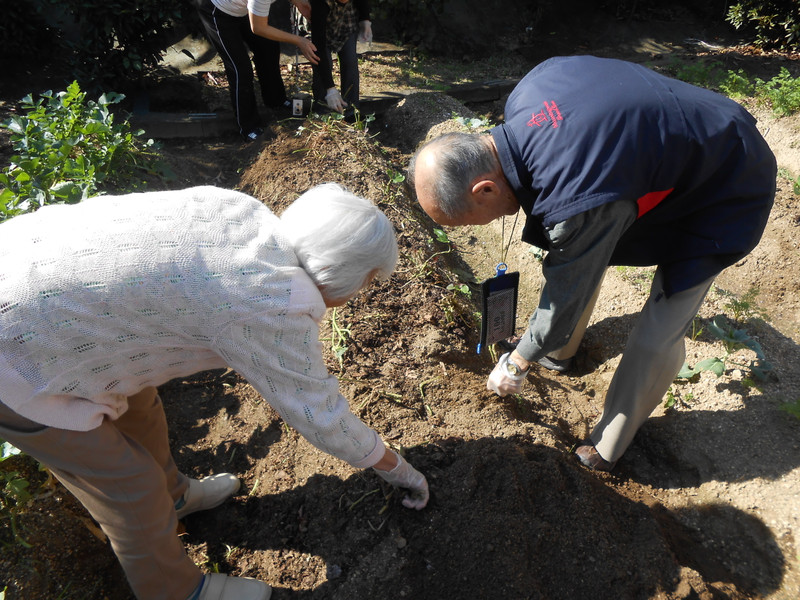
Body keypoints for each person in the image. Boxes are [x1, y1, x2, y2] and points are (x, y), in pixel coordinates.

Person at [0, 183, 429, 600]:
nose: (362, 293)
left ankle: (177, 497)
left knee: (141, 407)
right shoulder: (271, 300)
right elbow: (321, 416)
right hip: (17, 361)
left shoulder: (242, 213)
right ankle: (178, 590)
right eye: (367, 282)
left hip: (29, 274)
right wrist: (397, 468)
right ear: (342, 275)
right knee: (129, 486)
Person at [408, 55, 776, 472]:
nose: (474, 226)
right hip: (660, 149)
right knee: (582, 249)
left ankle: (609, 444)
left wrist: (518, 360)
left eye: (464, 220)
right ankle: (559, 351)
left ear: (485, 188)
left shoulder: (575, 196)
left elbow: (569, 282)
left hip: (726, 172)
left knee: (661, 324)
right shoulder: (526, 94)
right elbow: (577, 253)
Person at [194, 0, 320, 140]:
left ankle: (276, 101)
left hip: (244, 9)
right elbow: (259, 28)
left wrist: (305, 8)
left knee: (269, 47)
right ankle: (248, 127)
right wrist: (299, 41)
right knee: (240, 68)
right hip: (217, 11)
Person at [308, 0, 372, 116]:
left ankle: (351, 112)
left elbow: (363, 3)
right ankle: (322, 111)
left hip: (348, 25)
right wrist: (330, 89)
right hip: (323, 29)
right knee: (322, 63)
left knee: (350, 62)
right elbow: (319, 49)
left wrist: (365, 20)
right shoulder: (320, 4)